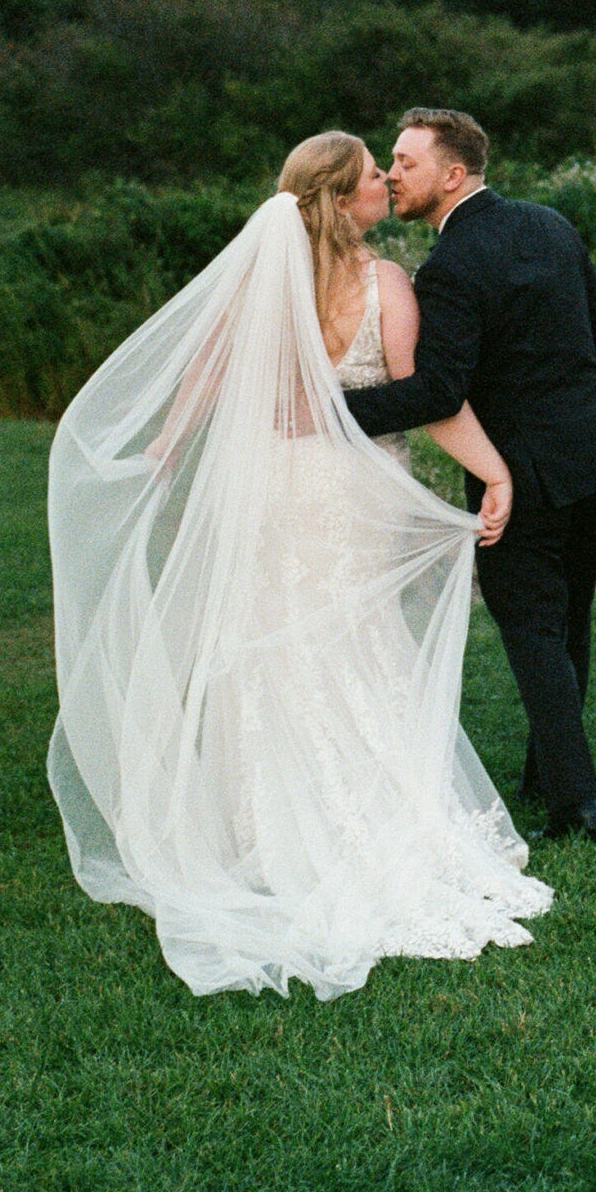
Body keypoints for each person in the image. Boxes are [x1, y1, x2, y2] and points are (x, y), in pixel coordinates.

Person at [46, 130, 550, 1000]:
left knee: (273, 645)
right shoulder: (385, 282)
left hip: (273, 490)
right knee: (358, 643)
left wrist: (160, 452)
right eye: (370, 180)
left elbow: (204, 371)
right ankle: (370, 824)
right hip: (350, 492)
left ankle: (265, 835)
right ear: (339, 200)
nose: (386, 187)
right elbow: (430, 397)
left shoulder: (259, 281)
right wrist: (495, 468)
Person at [341, 108, 596, 845]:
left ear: (453, 174)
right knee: (568, 617)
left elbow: (437, 391)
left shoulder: (450, 266)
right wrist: (593, 421)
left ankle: (577, 805)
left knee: (532, 628)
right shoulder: (549, 223)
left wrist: (330, 409)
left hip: (525, 472)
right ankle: (550, 775)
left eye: (406, 162)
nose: (391, 174)